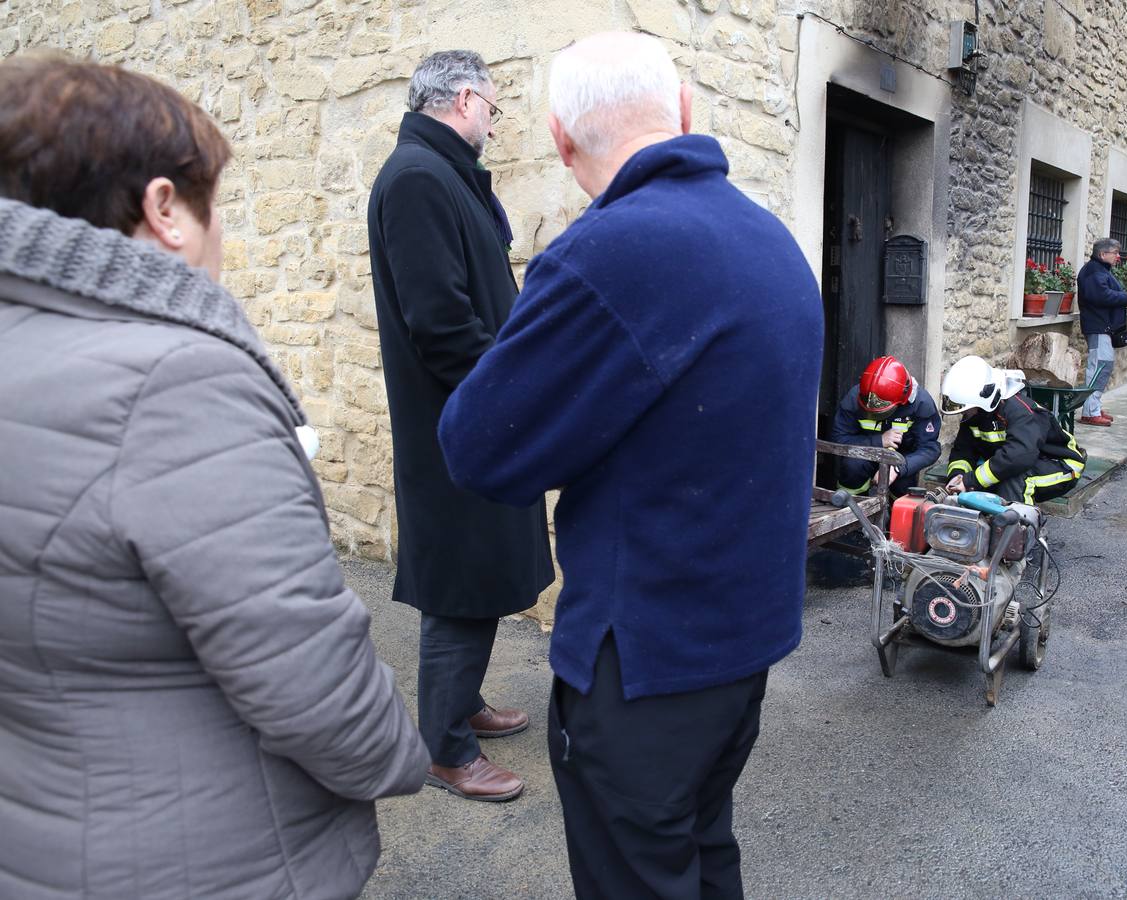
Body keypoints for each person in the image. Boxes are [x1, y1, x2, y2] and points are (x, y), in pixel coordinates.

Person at [0, 56, 429, 899]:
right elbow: (310, 681)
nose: (222, 234)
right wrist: (400, 757)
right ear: (165, 208)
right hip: (207, 858)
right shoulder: (177, 382)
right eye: (215, 206)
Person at [438, 32, 824, 899]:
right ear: (683, 112)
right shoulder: (769, 241)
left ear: (559, 139)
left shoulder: (611, 252)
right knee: (700, 852)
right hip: (739, 646)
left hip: (645, 661)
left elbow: (479, 445)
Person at [367, 50, 556, 803]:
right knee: (461, 583)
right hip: (459, 424)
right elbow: (441, 324)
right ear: (467, 99)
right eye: (496, 109)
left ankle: (462, 707)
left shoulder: (438, 172)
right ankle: (445, 750)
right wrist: (505, 395)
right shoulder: (417, 177)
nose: (496, 123)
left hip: (477, 417)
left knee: (481, 573)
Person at [941, 355, 1087, 504]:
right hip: (1027, 461)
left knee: (1014, 479)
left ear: (982, 398)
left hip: (1061, 465)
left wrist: (971, 480)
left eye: (967, 408)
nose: (963, 413)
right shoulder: (975, 413)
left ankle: (1018, 523)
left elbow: (1019, 456)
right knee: (985, 481)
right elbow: (963, 450)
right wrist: (958, 476)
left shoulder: (1020, 411)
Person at [830, 355, 941, 497]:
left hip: (903, 460)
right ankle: (848, 509)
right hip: (864, 454)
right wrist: (879, 441)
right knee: (852, 467)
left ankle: (896, 515)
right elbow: (839, 439)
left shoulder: (921, 404)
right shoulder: (855, 398)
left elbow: (929, 448)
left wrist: (898, 468)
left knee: (904, 485)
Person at [1076, 238, 1127, 426]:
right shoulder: (1094, 271)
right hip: (1098, 327)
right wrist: (1125, 298)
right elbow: (1100, 295)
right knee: (1099, 368)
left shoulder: (1098, 270)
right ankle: (1090, 411)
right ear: (1103, 254)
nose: (1118, 257)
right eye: (1115, 253)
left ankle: (1093, 406)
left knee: (1102, 368)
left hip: (1102, 327)